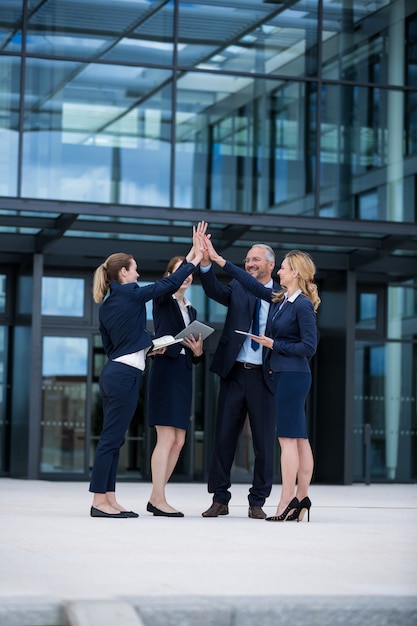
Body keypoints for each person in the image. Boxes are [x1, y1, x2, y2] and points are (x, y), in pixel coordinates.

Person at [202, 235, 320, 523]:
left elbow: (309, 346)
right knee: (234, 439)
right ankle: (226, 498)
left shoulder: (293, 300)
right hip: (243, 372)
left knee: (275, 442)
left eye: (283, 267)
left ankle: (272, 501)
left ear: (287, 270)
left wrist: (273, 345)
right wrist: (213, 262)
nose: (279, 270)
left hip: (273, 376)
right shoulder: (274, 296)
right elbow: (240, 285)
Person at [89, 228, 204, 518]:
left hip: (118, 371)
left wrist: (146, 347)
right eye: (136, 270)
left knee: (114, 439)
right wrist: (195, 255)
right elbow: (171, 282)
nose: (139, 275)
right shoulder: (130, 295)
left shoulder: (109, 303)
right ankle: (98, 502)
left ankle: (109, 498)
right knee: (110, 440)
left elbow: (114, 343)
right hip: (124, 375)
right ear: (124, 273)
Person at [199, 243, 280, 519]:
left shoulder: (281, 294)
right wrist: (208, 264)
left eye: (255, 259)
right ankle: (219, 498)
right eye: (247, 260)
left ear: (271, 264)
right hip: (234, 373)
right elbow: (212, 290)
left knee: (263, 443)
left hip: (265, 376)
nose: (249, 264)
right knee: (223, 438)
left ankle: (257, 501)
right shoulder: (238, 286)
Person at [146, 256, 204, 517]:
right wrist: (194, 255)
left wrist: (198, 352)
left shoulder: (191, 310)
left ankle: (156, 496)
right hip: (165, 371)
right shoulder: (162, 298)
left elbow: (192, 350)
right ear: (170, 275)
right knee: (166, 437)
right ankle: (159, 498)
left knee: (179, 441)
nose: (187, 276)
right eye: (180, 271)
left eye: (189, 271)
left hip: (183, 373)